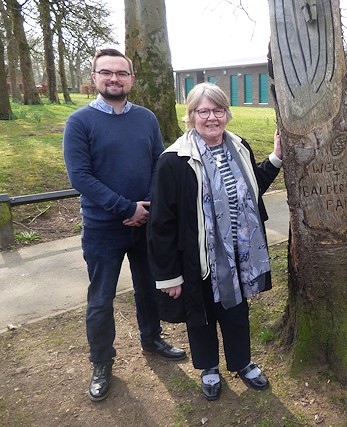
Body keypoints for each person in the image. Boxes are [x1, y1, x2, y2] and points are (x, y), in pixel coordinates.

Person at [63, 48, 186, 402]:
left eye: (121, 72)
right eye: (106, 72)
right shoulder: (79, 122)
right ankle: (102, 362)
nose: (114, 78)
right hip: (103, 229)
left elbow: (157, 165)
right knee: (100, 300)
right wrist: (125, 207)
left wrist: (146, 208)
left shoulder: (146, 118)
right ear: (95, 77)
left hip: (146, 223)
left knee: (149, 289)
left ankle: (152, 339)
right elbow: (80, 176)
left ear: (132, 78)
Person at [147, 82, 282, 401]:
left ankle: (242, 363)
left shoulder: (240, 147)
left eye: (218, 110)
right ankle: (208, 367)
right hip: (198, 258)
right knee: (202, 313)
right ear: (191, 115)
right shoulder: (174, 161)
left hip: (238, 255)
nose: (211, 117)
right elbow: (161, 224)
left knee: (236, 312)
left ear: (227, 113)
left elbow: (251, 189)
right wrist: (169, 275)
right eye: (203, 111)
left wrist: (276, 157)